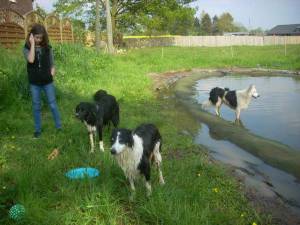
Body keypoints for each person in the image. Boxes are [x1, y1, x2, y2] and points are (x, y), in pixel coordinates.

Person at [23, 24, 62, 138]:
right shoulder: (26, 48)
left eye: (41, 38)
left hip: (47, 82)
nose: (39, 40)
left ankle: (59, 126)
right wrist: (32, 44)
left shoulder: (47, 47)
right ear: (32, 36)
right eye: (37, 37)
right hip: (34, 83)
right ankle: (38, 130)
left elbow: (52, 62)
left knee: (53, 104)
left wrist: (53, 69)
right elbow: (31, 60)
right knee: (36, 106)